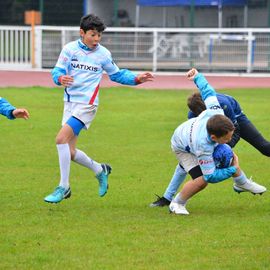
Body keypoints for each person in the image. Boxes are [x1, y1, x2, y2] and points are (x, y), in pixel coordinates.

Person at [44, 14, 153, 204]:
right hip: (69, 104)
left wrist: (136, 79)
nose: (96, 39)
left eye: (99, 35)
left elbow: (116, 74)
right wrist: (60, 78)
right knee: (69, 152)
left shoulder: (103, 54)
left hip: (87, 105)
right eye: (92, 34)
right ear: (82, 32)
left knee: (60, 139)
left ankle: (64, 187)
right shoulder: (69, 49)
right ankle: (100, 170)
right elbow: (57, 71)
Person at [157, 68, 266, 215]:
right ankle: (177, 203)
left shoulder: (217, 111)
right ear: (214, 138)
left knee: (226, 152)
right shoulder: (203, 147)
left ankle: (241, 183)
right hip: (182, 146)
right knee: (201, 180)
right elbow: (211, 176)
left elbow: (207, 90)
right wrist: (233, 169)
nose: (230, 139)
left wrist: (197, 76)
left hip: (193, 133)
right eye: (227, 137)